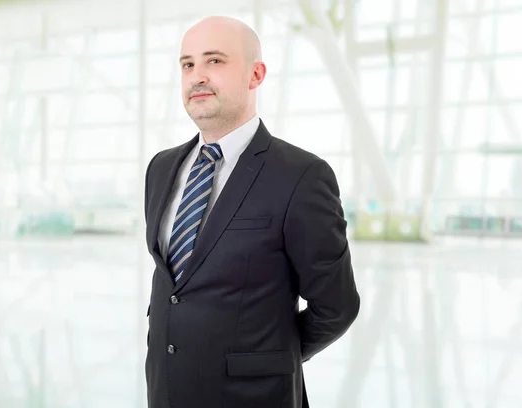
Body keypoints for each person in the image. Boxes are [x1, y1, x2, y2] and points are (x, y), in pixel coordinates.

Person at [143, 15, 360, 408]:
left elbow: (337, 307)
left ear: (255, 74)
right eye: (188, 64)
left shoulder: (301, 176)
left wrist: (270, 358)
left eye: (215, 61)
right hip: (166, 391)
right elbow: (176, 285)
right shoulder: (161, 168)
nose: (197, 76)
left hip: (255, 396)